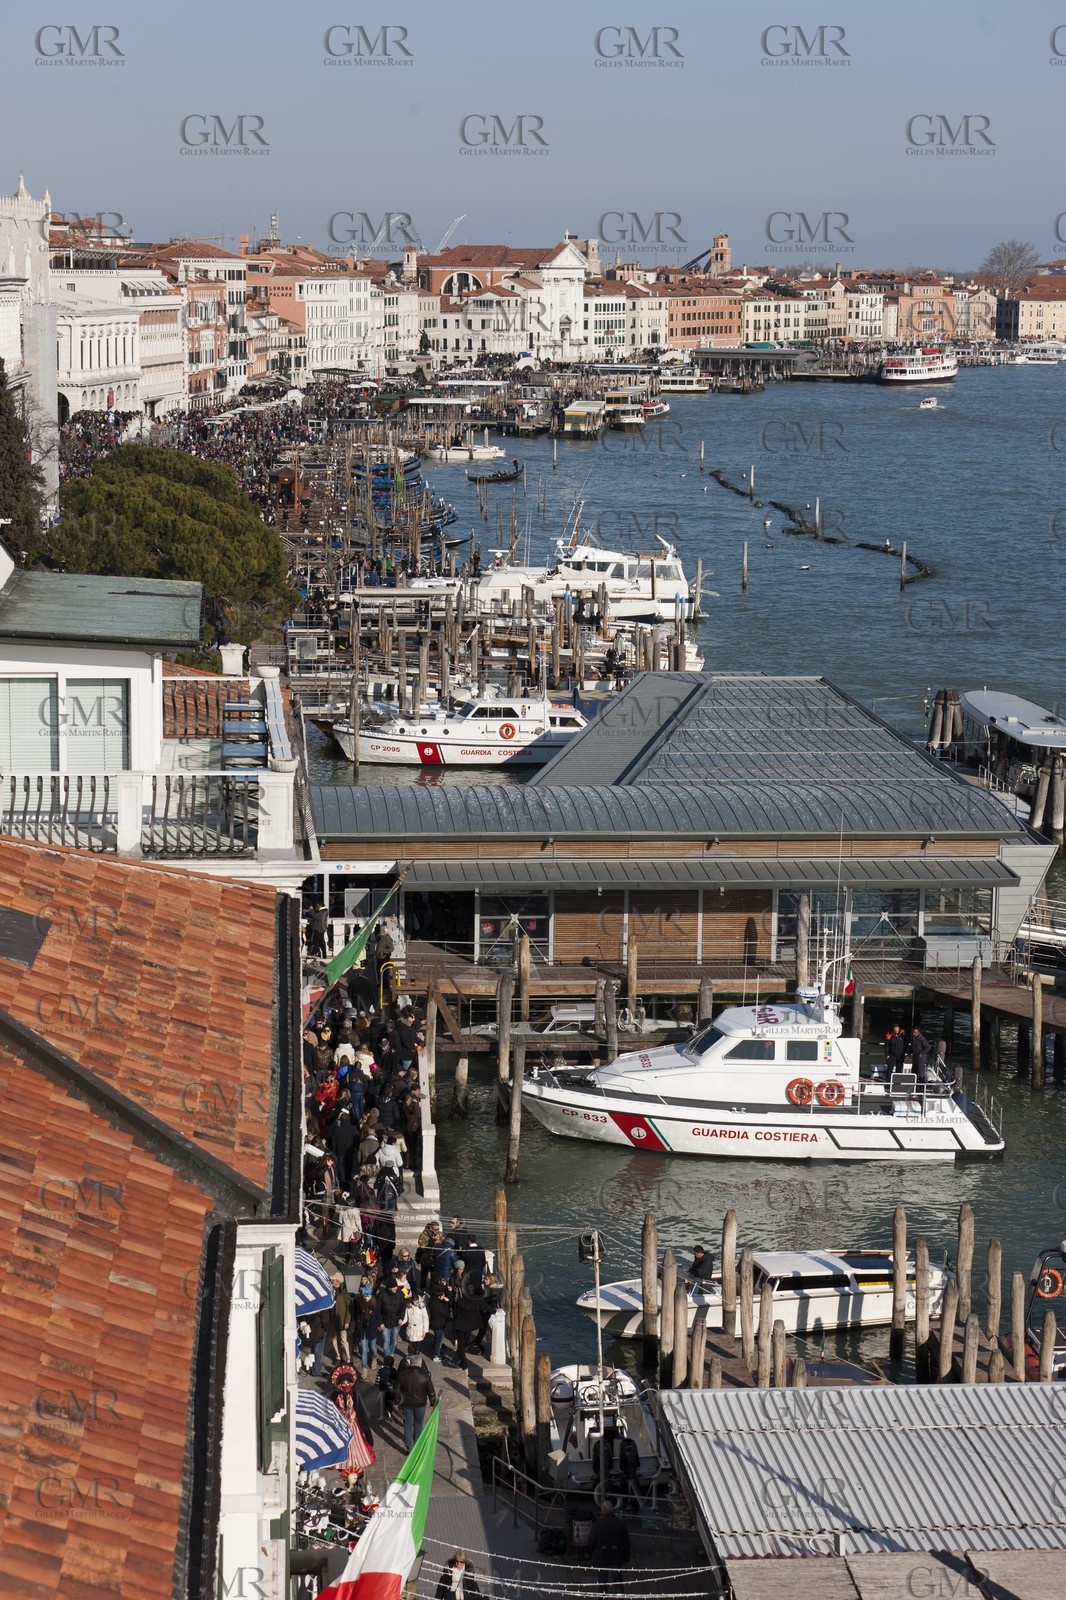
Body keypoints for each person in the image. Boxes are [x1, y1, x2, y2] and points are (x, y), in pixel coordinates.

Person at [587, 1499, 631, 1594]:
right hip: (616, 1557)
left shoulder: (597, 1525)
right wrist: (626, 1558)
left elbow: (590, 1543)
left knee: (602, 1582)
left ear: (602, 1510)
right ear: (613, 1510)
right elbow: (626, 1543)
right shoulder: (620, 1524)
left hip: (601, 1557)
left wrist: (592, 1554)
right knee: (618, 1582)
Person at [396, 1354, 438, 1451]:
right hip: (420, 1404)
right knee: (419, 1423)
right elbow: (431, 1392)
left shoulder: (403, 1375)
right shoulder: (425, 1375)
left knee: (408, 1424)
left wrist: (397, 1402)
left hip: (406, 1404)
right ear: (420, 1364)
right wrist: (433, 1403)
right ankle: (417, 1444)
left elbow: (397, 1390)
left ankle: (409, 1448)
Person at [328, 1274, 352, 1365]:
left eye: (333, 1280)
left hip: (341, 1320)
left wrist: (347, 1321)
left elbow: (348, 1308)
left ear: (338, 1281)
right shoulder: (331, 1290)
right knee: (333, 1339)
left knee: (343, 1340)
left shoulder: (344, 1293)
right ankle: (338, 1356)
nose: (331, 1282)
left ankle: (348, 1358)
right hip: (332, 1319)